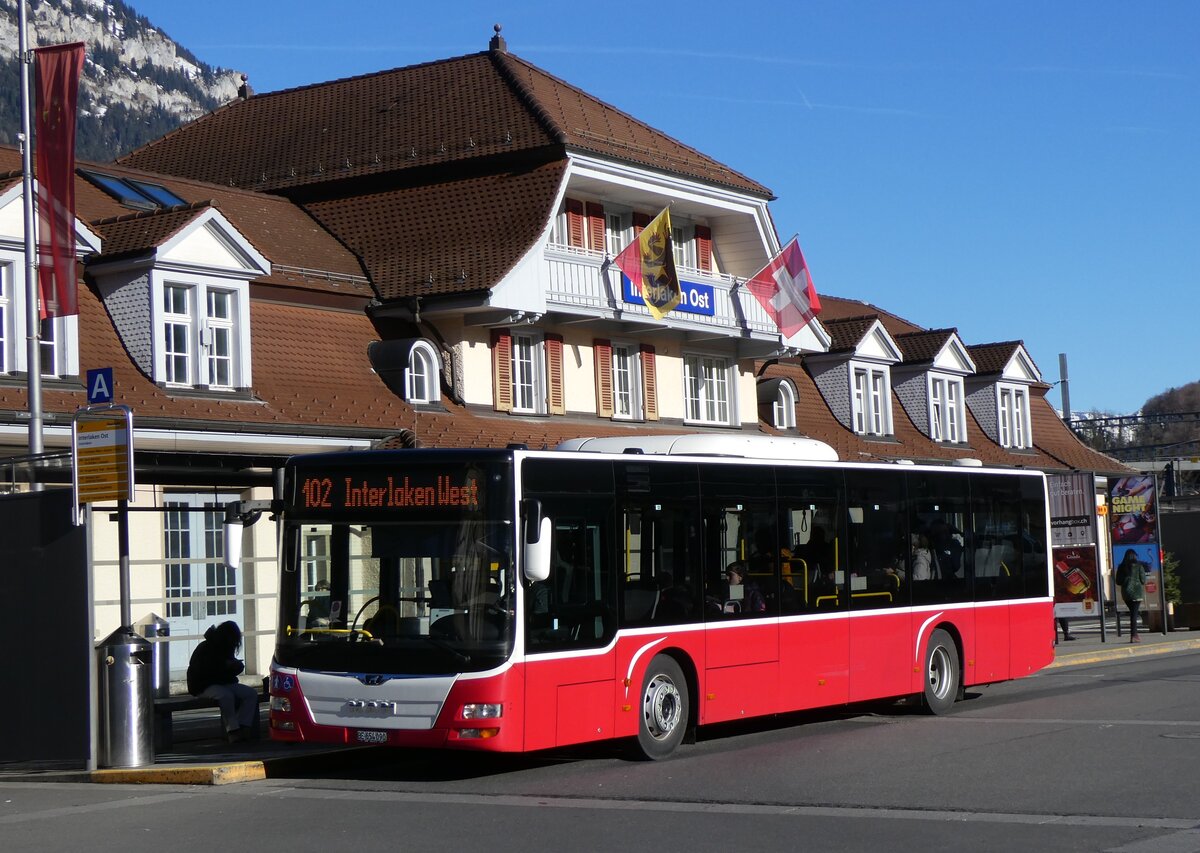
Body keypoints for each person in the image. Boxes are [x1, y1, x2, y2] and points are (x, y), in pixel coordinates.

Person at [187, 621, 259, 742]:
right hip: (203, 685)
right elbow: (203, 671)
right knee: (226, 696)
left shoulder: (225, 647)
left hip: (222, 683)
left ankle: (244, 726)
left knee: (251, 694)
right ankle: (233, 730)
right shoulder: (206, 648)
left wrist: (236, 666)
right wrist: (224, 666)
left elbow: (226, 670)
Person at [1115, 549, 1147, 643]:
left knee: (1133, 613)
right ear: (1135, 556)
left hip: (1126, 594)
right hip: (1137, 593)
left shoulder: (1121, 567)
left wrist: (1126, 580)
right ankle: (1134, 635)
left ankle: (1134, 635)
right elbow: (1143, 580)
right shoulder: (1139, 566)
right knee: (1134, 614)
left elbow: (1118, 581)